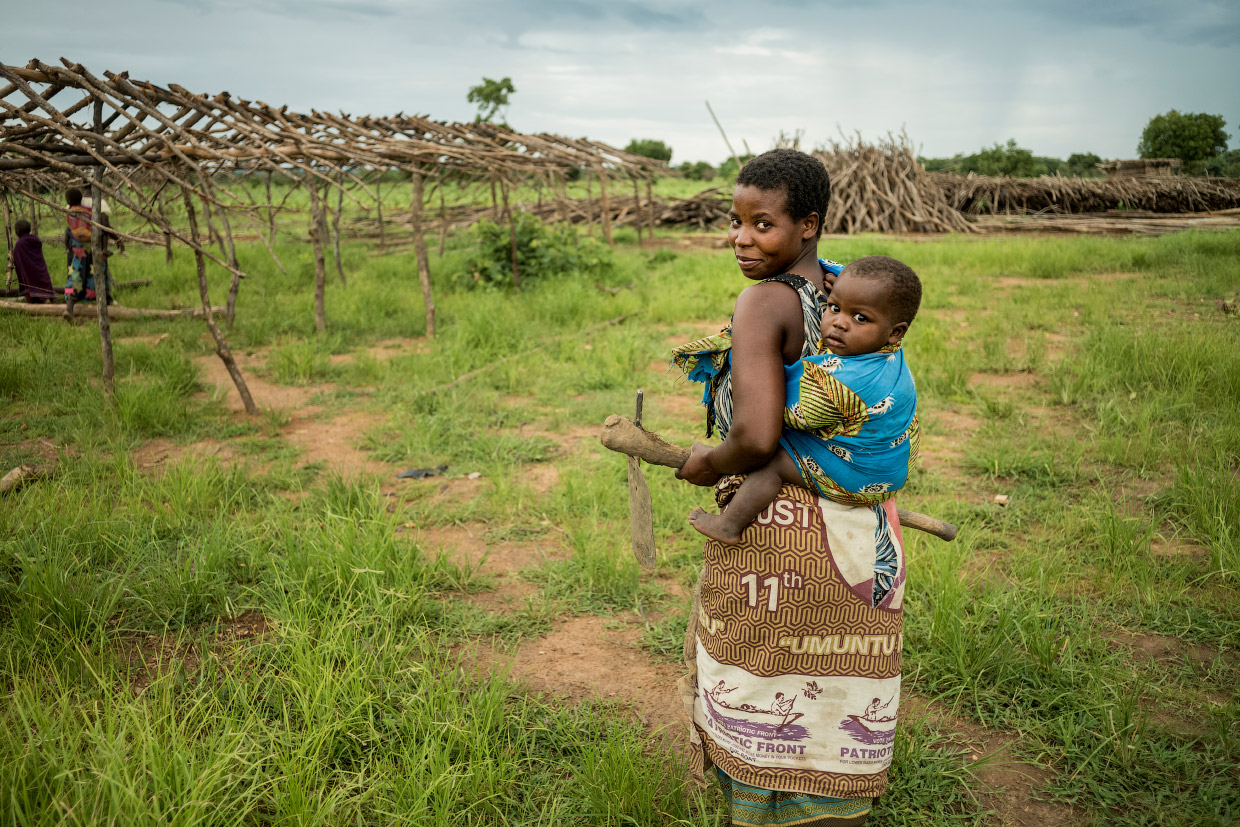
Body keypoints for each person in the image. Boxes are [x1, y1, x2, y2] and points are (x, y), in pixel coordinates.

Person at [671, 149, 906, 826]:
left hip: (779, 534)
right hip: (860, 533)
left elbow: (755, 435)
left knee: (767, 683)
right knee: (833, 692)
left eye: (761, 223)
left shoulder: (764, 300)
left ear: (808, 224)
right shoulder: (845, 295)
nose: (740, 237)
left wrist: (707, 463)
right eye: (736, 220)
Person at [682, 255, 922, 545]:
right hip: (888, 462)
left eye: (860, 318)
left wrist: (713, 459)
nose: (839, 323)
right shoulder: (886, 351)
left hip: (861, 476)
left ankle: (729, 526)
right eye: (834, 307)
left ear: (896, 331)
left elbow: (772, 414)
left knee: (772, 461)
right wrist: (848, 299)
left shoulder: (840, 383)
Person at [63, 188, 119, 306]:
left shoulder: (69, 210)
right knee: (95, 273)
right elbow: (104, 226)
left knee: (76, 274)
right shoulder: (96, 206)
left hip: (76, 249)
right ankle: (97, 299)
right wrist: (117, 240)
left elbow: (68, 231)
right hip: (93, 246)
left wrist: (67, 247)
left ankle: (70, 304)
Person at [10, 219, 57, 303]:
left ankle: (36, 299)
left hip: (29, 271)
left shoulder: (19, 244)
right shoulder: (35, 239)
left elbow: (17, 258)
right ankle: (46, 298)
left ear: (17, 231)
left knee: (30, 281)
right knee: (42, 281)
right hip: (40, 269)